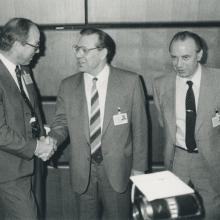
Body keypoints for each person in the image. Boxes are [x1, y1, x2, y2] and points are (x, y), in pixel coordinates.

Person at [49, 28, 148, 220]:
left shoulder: (130, 82)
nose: (78, 54)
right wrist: (52, 139)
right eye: (77, 48)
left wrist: (140, 169)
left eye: (84, 50)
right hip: (82, 172)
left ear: (103, 52)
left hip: (118, 171)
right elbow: (61, 122)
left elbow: (141, 129)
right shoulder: (67, 85)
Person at [152, 31, 220, 219]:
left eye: (185, 57)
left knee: (212, 210)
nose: (178, 64)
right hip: (177, 157)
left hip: (211, 159)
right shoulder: (161, 84)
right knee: (174, 210)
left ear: (200, 55)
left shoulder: (218, 81)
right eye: (174, 58)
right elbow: (162, 122)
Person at [0, 17, 56, 220]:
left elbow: (31, 110)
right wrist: (35, 147)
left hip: (33, 168)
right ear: (17, 44)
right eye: (36, 45)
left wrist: (43, 136)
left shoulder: (23, 69)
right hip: (8, 174)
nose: (39, 51)